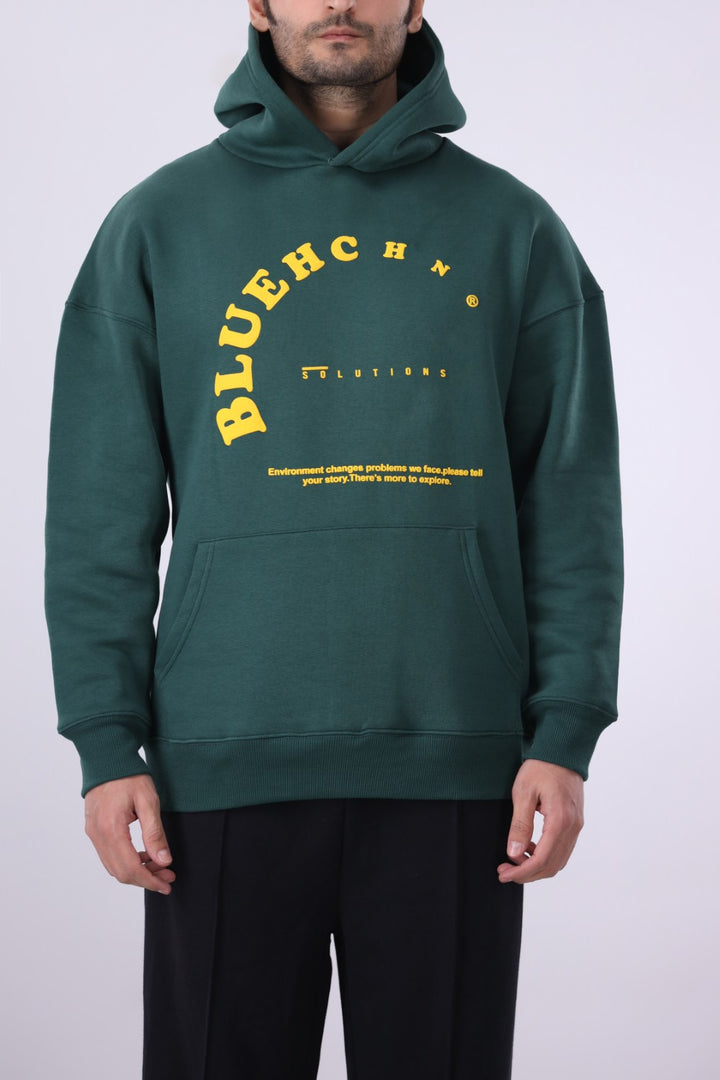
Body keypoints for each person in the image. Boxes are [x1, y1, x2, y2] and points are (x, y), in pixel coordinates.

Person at [43, 1, 624, 1077]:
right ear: (260, 4)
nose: (339, 4)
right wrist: (103, 743)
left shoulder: (514, 229)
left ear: (415, 2)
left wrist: (566, 730)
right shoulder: (159, 224)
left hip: (461, 764)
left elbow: (572, 503)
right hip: (218, 764)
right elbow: (97, 514)